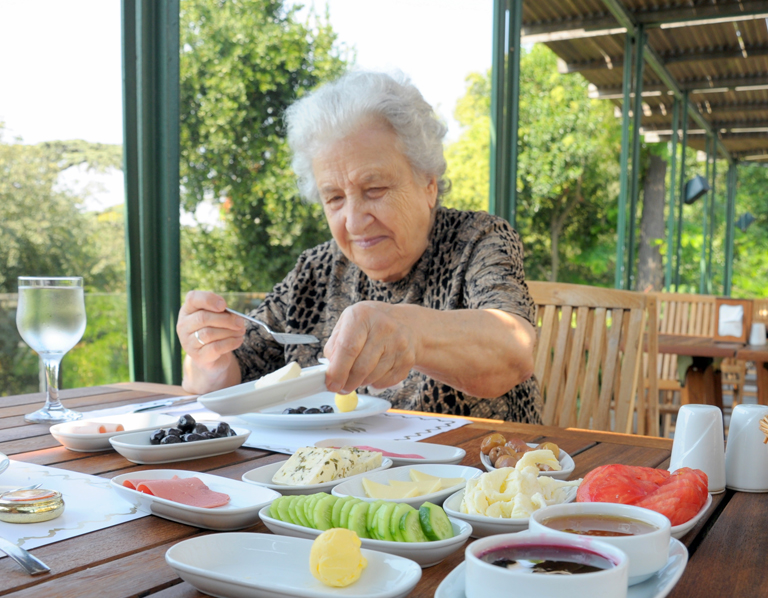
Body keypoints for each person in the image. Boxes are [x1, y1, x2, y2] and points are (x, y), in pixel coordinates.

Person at [177, 71, 542, 423]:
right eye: (334, 198)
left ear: (428, 184)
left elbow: (513, 350)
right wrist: (209, 357)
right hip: (333, 476)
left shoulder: (477, 239)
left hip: (475, 475)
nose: (353, 221)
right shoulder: (316, 271)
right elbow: (231, 379)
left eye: (375, 190)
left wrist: (408, 331)